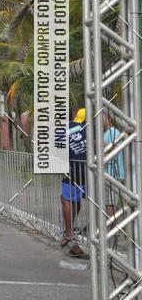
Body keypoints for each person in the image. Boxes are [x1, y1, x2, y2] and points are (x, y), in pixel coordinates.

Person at [60, 107, 87, 258]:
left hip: (72, 169)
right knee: (76, 199)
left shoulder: (66, 128)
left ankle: (69, 233)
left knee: (65, 199)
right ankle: (72, 228)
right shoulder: (87, 129)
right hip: (87, 169)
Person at [103, 113, 125, 222]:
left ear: (108, 118)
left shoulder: (113, 132)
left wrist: (101, 145)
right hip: (109, 172)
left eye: (102, 116)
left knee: (110, 202)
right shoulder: (108, 132)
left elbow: (112, 148)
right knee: (110, 202)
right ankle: (115, 229)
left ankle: (111, 229)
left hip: (113, 172)